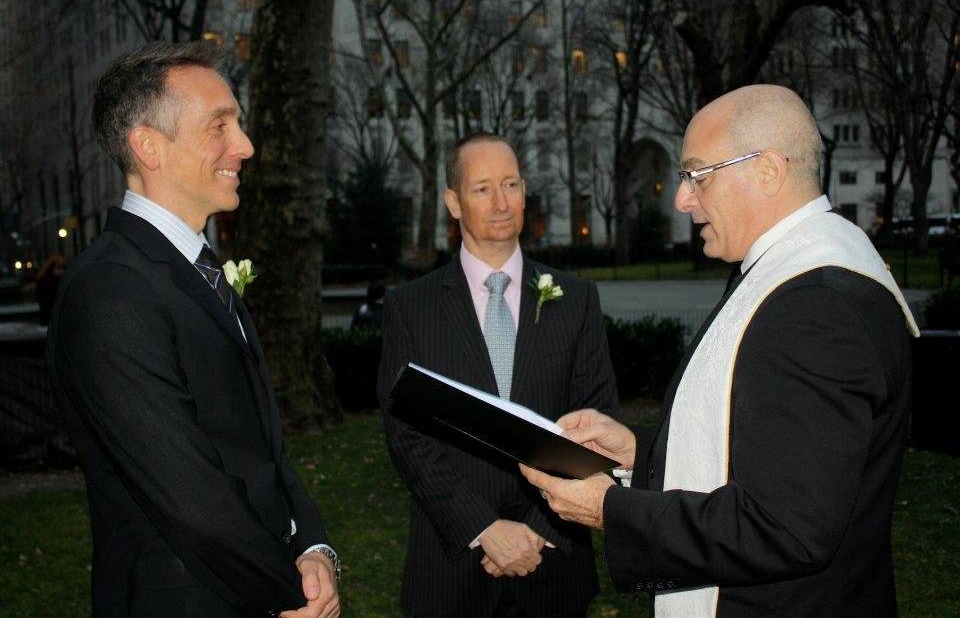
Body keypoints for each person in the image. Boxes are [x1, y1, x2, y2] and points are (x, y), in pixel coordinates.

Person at [521, 85, 919, 618]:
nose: (683, 198)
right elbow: (766, 452)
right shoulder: (796, 273)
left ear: (768, 171)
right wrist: (640, 457)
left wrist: (610, 511)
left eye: (697, 174)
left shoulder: (814, 307)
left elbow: (785, 528)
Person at [46, 42, 340, 618]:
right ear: (148, 146)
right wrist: (291, 596)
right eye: (219, 126)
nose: (246, 146)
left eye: (241, 123)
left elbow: (262, 448)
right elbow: (191, 497)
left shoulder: (196, 269)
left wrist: (314, 547)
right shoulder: (110, 291)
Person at [377, 132, 618, 618]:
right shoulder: (410, 307)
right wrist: (483, 528)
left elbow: (598, 423)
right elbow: (406, 435)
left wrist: (538, 531)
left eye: (511, 184)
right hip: (451, 563)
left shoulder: (575, 300)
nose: (502, 201)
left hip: (553, 561)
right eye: (483, 188)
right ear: (453, 202)